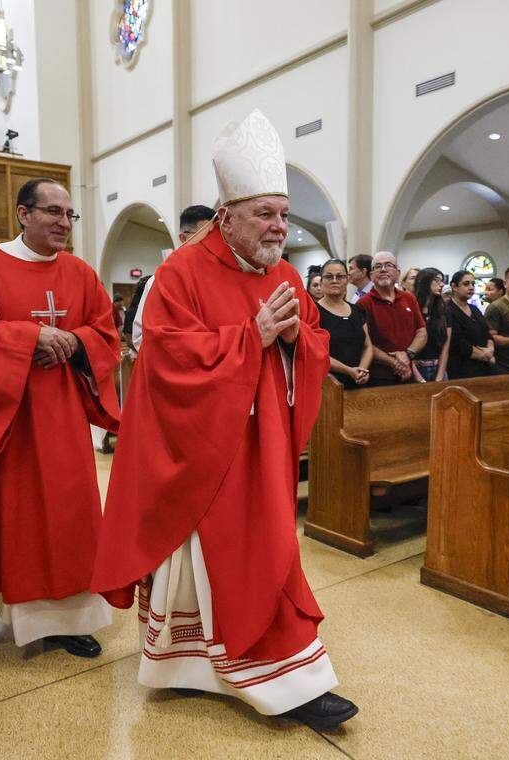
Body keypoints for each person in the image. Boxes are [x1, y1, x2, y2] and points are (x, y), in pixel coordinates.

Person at [92, 109, 356, 729]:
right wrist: (250, 337)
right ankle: (190, 667)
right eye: (264, 214)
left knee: (269, 553)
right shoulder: (179, 273)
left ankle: (287, 675)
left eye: (284, 215)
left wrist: (294, 341)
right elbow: (164, 358)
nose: (278, 228)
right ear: (226, 214)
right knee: (207, 559)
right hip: (202, 451)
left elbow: (315, 342)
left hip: (262, 449)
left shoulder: (288, 274)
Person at [0, 178, 120, 655]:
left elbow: (105, 334)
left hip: (58, 419)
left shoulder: (80, 273)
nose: (62, 222)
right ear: (23, 214)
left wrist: (75, 342)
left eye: (69, 215)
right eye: (52, 212)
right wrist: (25, 338)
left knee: (61, 516)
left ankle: (65, 616)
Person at [130, 204, 217, 352]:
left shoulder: (219, 279)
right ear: (183, 238)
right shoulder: (159, 281)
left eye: (216, 238)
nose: (212, 245)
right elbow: (140, 338)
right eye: (206, 238)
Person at [358, 251, 427, 384]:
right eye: (378, 266)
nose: (383, 269)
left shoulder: (409, 298)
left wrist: (408, 354)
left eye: (388, 265)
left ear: (398, 272)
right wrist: (394, 362)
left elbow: (421, 332)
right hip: (379, 377)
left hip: (408, 372)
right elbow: (365, 343)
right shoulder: (363, 304)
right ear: (371, 275)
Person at [317, 258, 372, 387]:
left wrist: (361, 371)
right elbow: (317, 354)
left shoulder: (357, 310)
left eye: (340, 276)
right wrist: (349, 371)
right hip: (327, 385)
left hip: (358, 382)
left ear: (347, 280)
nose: (335, 281)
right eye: (329, 277)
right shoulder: (314, 312)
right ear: (321, 281)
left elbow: (368, 346)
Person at [445, 270, 495, 378]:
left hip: (484, 367)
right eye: (466, 284)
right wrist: (484, 355)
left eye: (473, 284)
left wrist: (490, 349)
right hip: (461, 369)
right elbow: (457, 343)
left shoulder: (475, 309)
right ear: (454, 286)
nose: (471, 287)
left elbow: (487, 333)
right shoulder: (447, 310)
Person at [413, 267, 450, 381]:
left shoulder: (443, 310)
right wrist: (418, 378)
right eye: (437, 280)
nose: (442, 284)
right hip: (414, 369)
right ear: (425, 281)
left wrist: (439, 377)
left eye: (442, 280)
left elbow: (445, 346)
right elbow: (403, 345)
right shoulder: (411, 309)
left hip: (438, 368)